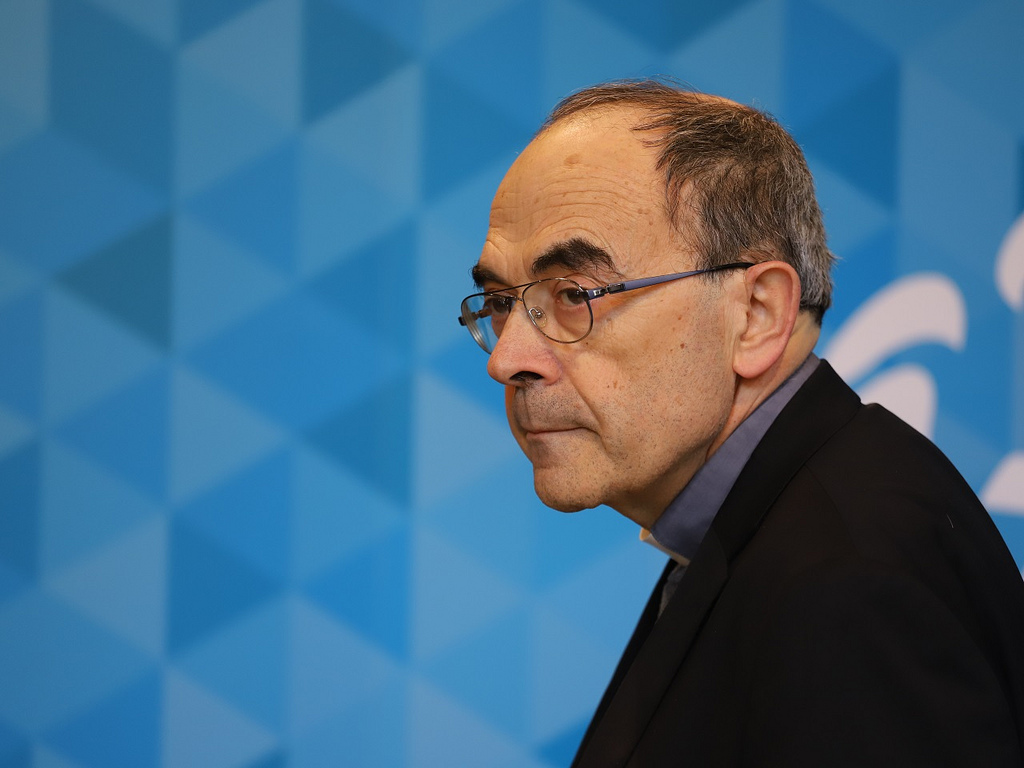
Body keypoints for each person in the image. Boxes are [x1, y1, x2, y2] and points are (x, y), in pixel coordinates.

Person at [456, 80, 1024, 766]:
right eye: (499, 302)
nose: (507, 360)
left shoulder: (848, 584)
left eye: (574, 294)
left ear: (756, 315)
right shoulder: (781, 526)